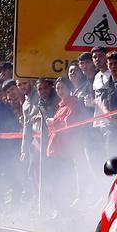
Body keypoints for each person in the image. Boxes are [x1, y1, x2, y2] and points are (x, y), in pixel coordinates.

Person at [47, 76, 87, 208]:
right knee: (55, 179)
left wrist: (53, 121)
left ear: (69, 88)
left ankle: (66, 207)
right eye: (57, 88)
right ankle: (59, 208)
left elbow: (69, 123)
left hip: (68, 148)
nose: (59, 90)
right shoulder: (61, 105)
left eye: (62, 87)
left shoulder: (73, 102)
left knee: (64, 179)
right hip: (57, 148)